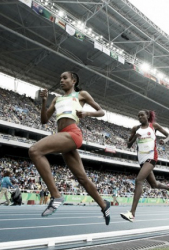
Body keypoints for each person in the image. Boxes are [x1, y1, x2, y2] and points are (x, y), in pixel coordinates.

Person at [28, 71, 110, 225]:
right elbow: (44, 120)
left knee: (34, 150)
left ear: (73, 81)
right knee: (82, 178)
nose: (61, 80)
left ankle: (56, 195)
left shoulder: (81, 94)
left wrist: (86, 113)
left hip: (73, 133)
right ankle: (104, 204)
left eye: (65, 78)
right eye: (60, 78)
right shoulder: (57, 99)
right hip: (63, 136)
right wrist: (44, 101)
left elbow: (101, 112)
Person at [120, 110, 169, 222]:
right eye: (138, 115)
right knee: (153, 184)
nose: (140, 117)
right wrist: (135, 137)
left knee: (139, 180)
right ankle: (168, 187)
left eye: (142, 115)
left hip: (151, 157)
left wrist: (164, 140)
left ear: (147, 116)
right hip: (141, 159)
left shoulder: (153, 126)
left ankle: (132, 213)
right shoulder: (135, 129)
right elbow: (128, 145)